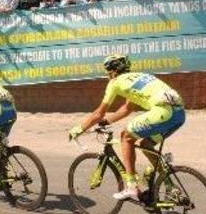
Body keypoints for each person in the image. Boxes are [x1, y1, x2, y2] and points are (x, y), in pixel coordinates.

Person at [68, 54, 185, 201]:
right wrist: (106, 121)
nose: (108, 75)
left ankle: (131, 187)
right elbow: (127, 109)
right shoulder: (140, 77)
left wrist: (79, 129)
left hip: (162, 112)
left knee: (126, 137)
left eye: (107, 72)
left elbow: (98, 113)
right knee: (146, 144)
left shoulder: (115, 82)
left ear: (112, 71)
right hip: (179, 115)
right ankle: (171, 188)